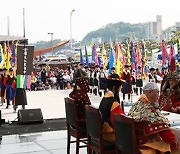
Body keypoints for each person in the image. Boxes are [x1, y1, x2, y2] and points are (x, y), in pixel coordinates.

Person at [128, 82, 180, 153]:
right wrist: (174, 142)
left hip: (133, 143)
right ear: (150, 92)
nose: (158, 96)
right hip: (145, 145)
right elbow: (165, 133)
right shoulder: (149, 109)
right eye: (157, 92)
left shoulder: (136, 105)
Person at [99, 73, 125, 142]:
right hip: (110, 134)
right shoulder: (113, 103)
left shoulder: (104, 98)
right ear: (114, 87)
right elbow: (119, 122)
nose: (120, 89)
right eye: (119, 87)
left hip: (103, 132)